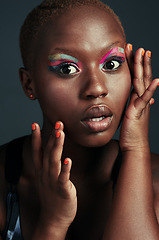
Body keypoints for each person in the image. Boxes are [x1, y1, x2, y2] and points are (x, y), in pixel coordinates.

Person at [0, 0, 159, 239]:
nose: (96, 88)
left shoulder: (155, 180)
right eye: (67, 69)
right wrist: (53, 222)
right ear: (28, 83)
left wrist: (136, 147)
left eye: (112, 64)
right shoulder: (4, 180)